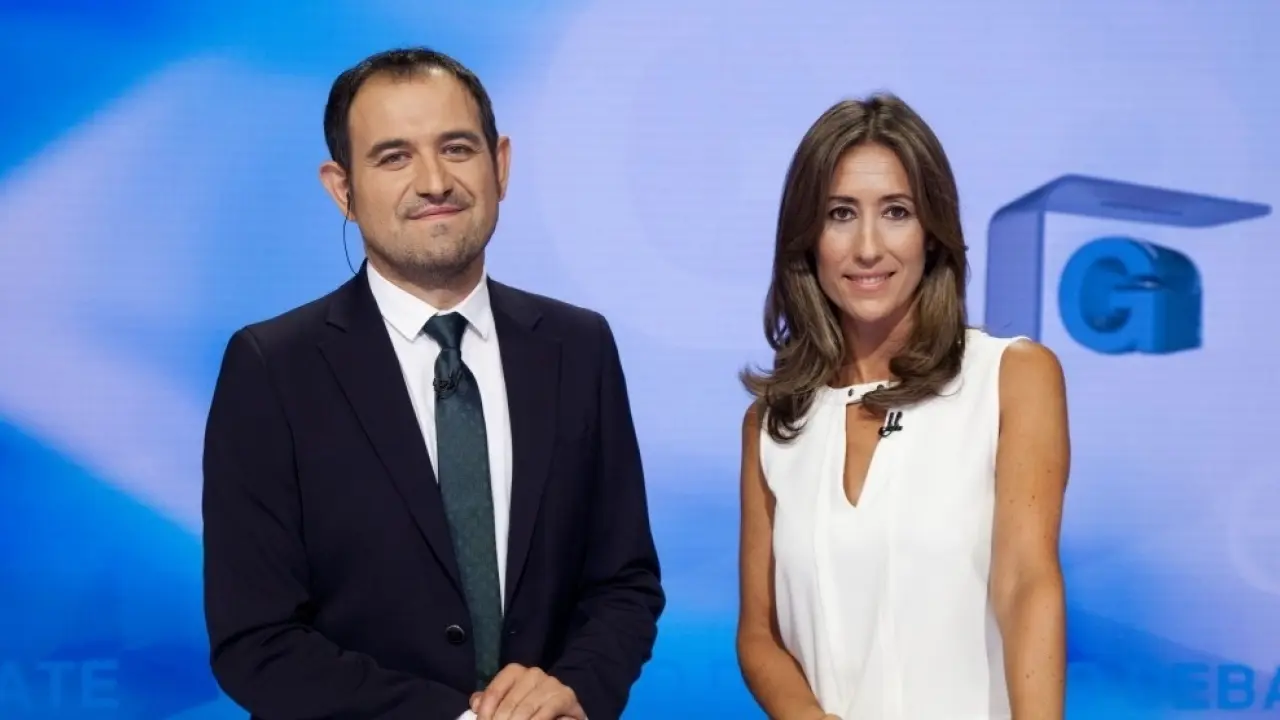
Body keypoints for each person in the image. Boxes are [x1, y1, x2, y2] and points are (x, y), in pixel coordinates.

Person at [201, 47, 664, 720]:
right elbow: (257, 639)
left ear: (500, 165)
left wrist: (573, 688)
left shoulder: (579, 345)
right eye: (394, 157)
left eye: (457, 148)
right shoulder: (273, 368)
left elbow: (624, 581)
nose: (435, 181)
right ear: (342, 189)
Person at [735, 94, 1069, 719]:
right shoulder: (772, 423)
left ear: (932, 233)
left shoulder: (1012, 378)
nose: (867, 247)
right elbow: (760, 633)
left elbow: (1027, 584)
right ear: (807, 238)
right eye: (840, 214)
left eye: (896, 212)